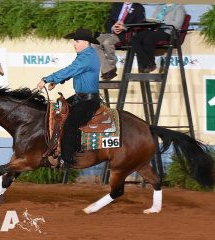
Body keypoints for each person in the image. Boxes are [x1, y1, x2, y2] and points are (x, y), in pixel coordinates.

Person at [37, 28, 101, 167]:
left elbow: (71, 69)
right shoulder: (86, 55)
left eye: (76, 41)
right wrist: (58, 81)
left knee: (70, 124)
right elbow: (75, 71)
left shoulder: (87, 57)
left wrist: (47, 79)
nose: (74, 44)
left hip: (88, 101)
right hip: (81, 98)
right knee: (57, 112)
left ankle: (66, 159)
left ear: (85, 42)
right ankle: (57, 148)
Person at [94, 2, 145, 80]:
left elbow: (140, 23)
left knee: (107, 43)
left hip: (125, 34)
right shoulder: (117, 5)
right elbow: (109, 21)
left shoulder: (138, 7)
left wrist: (124, 27)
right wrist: (112, 26)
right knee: (94, 43)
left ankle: (110, 69)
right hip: (111, 33)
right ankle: (108, 69)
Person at [132, 4, 186, 73]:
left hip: (168, 32)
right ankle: (148, 62)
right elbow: (153, 19)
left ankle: (149, 64)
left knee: (149, 38)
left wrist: (162, 22)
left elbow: (178, 24)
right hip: (154, 30)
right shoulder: (160, 6)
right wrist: (150, 22)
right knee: (135, 38)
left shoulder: (179, 8)